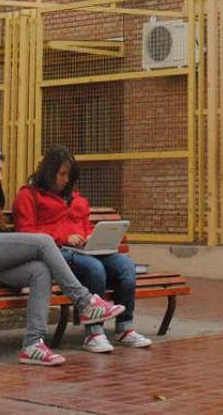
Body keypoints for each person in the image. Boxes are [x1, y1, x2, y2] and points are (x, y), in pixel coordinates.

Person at [0, 145, 125, 366]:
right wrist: (21, 249)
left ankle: (33, 344)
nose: (0, 177)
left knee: (39, 271)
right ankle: (85, 302)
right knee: (43, 242)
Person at [13, 145, 152, 353]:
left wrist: (91, 237)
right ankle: (94, 333)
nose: (66, 180)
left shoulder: (76, 198)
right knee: (94, 268)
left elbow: (84, 225)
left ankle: (125, 328)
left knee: (125, 266)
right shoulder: (29, 195)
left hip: (85, 249)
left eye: (70, 176)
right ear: (49, 171)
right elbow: (27, 234)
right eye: (62, 174)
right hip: (58, 252)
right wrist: (64, 238)